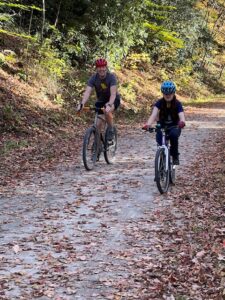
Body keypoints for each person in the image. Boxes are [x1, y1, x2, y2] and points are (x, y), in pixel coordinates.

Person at [143, 81, 186, 165]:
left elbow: (181, 115)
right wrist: (148, 124)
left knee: (173, 136)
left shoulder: (177, 104)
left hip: (174, 126)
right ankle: (162, 157)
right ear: (163, 93)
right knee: (160, 142)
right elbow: (153, 114)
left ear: (173, 93)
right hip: (162, 126)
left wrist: (182, 122)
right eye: (165, 93)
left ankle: (175, 156)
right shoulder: (159, 103)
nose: (168, 95)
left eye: (170, 93)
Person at [77, 58, 120, 139]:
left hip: (113, 100)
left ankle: (111, 129)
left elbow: (113, 94)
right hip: (101, 100)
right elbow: (87, 92)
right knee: (97, 125)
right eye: (99, 67)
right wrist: (82, 104)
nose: (101, 69)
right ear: (96, 68)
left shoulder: (111, 77)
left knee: (107, 111)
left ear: (106, 67)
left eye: (103, 67)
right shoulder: (93, 78)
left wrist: (110, 104)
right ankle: (98, 144)